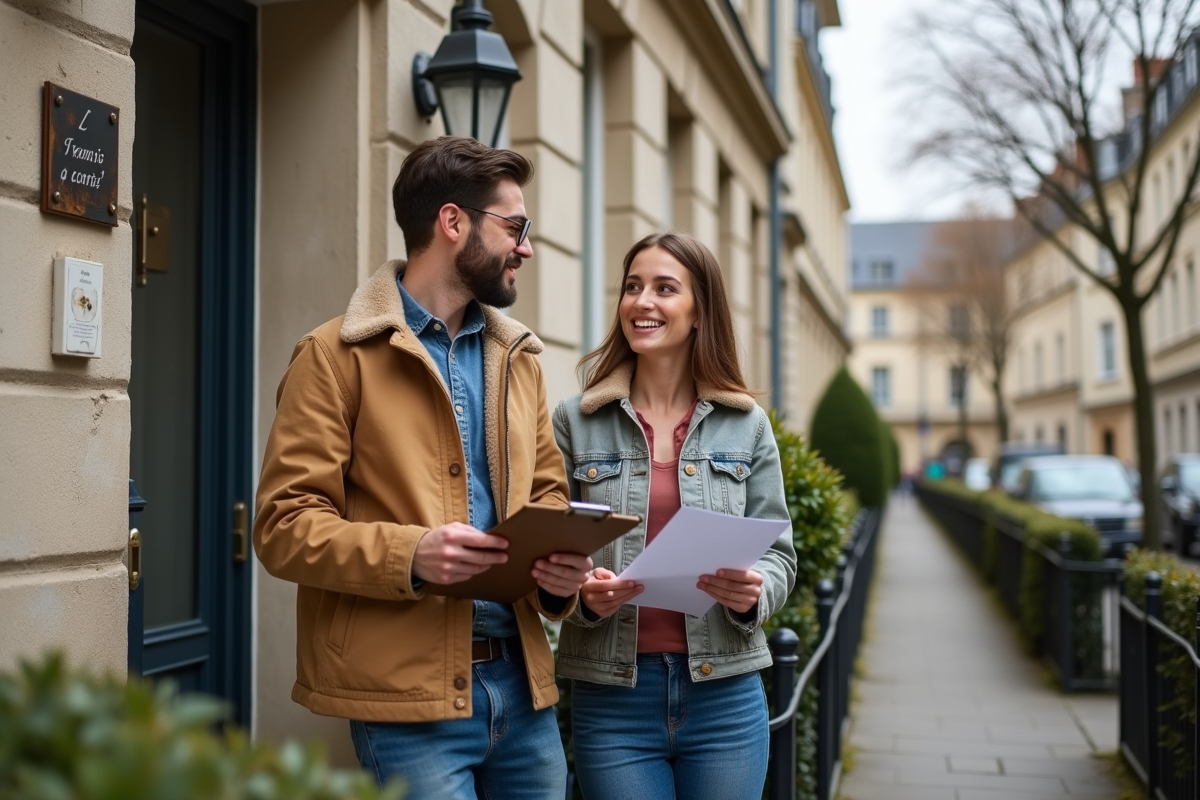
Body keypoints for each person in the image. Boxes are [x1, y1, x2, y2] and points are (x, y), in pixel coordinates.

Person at [253, 136, 592, 800]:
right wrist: (412, 555)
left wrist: (559, 578)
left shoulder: (518, 357)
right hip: (405, 705)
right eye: (515, 228)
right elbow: (283, 526)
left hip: (524, 694)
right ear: (453, 222)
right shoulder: (332, 357)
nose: (526, 246)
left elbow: (548, 495)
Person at [552, 232, 797, 799]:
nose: (643, 302)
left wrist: (753, 593)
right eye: (632, 287)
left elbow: (779, 553)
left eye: (665, 288)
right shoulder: (575, 420)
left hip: (725, 696)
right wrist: (581, 594)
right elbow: (551, 547)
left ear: (698, 312)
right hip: (613, 698)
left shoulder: (747, 424)